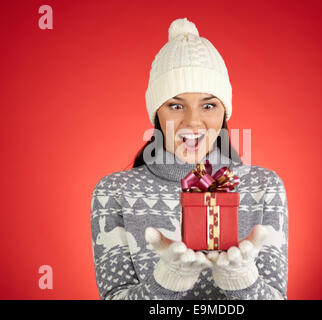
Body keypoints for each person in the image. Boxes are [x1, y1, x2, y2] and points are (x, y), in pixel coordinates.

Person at [90, 17, 288, 300]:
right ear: (157, 113)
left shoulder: (264, 187)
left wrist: (241, 278)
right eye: (175, 105)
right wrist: (168, 279)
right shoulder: (114, 192)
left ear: (224, 112)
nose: (193, 122)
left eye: (208, 105)